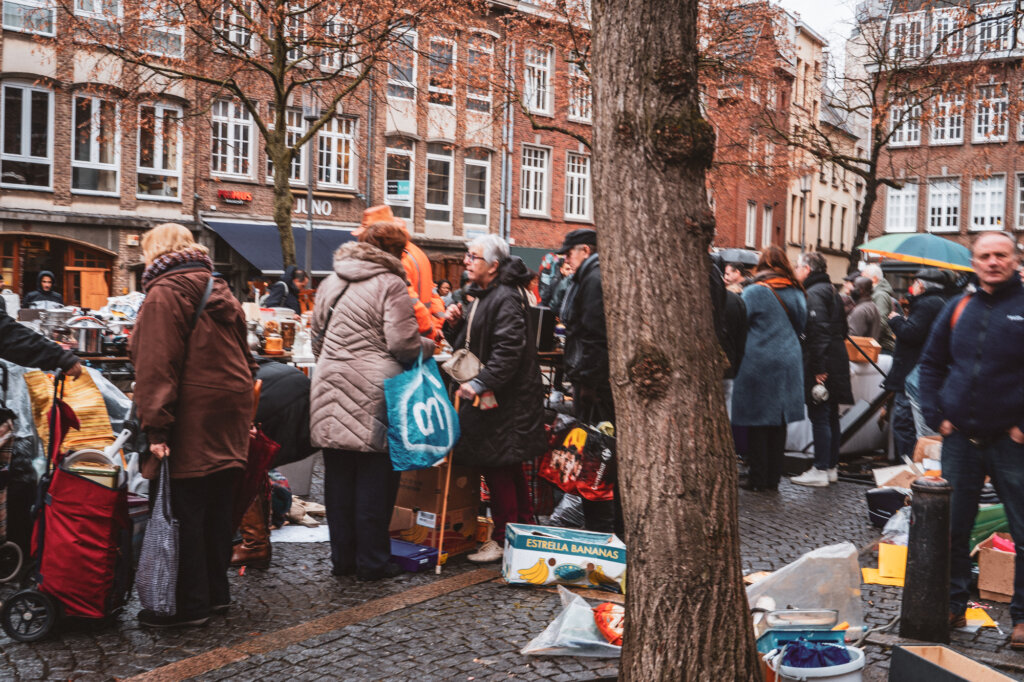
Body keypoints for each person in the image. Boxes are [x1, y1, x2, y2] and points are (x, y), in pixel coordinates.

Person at [130, 223, 257, 628]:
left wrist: (156, 428)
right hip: (229, 410)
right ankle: (215, 595)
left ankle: (188, 605)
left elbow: (156, 364)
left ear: (157, 253)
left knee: (180, 508)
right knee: (218, 506)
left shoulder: (164, 293)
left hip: (193, 415)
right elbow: (246, 355)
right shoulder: (219, 289)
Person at [918, 232, 1024, 645]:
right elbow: (931, 363)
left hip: (1011, 442)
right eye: (985, 256)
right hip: (961, 440)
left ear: (1016, 259)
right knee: (952, 528)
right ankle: (952, 605)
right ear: (973, 261)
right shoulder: (957, 307)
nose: (993, 262)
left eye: (1001, 255)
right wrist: (936, 414)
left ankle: (1022, 618)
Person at [310, 221, 432, 581]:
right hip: (374, 392)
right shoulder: (391, 283)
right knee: (374, 483)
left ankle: (342, 560)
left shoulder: (330, 280)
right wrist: (430, 347)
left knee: (338, 481)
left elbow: (317, 338)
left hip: (329, 385)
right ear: (395, 252)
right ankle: (373, 563)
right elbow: (403, 344)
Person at [443, 234, 546, 563]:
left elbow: (508, 350)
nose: (466, 261)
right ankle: (523, 531)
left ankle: (505, 538)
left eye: (473, 256)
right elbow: (471, 343)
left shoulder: (504, 297)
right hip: (498, 397)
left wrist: (481, 382)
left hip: (505, 401)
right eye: (467, 255)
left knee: (499, 465)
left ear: (494, 265)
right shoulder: (484, 295)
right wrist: (453, 326)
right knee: (506, 464)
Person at [556, 228, 622, 534]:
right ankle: (602, 522)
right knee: (599, 455)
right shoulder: (589, 275)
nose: (566, 259)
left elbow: (595, 336)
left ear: (585, 249)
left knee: (598, 455)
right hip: (591, 382)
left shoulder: (594, 277)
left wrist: (589, 384)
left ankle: (603, 526)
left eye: (569, 253)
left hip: (594, 386)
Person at [731, 246, 806, 492]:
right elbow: (803, 324)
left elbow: (739, 321)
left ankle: (758, 477)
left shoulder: (754, 291)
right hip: (789, 360)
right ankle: (773, 477)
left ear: (761, 265)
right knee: (778, 422)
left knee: (757, 421)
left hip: (759, 360)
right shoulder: (797, 291)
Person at [230, 358, 317, 568]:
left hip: (271, 397)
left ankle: (255, 545)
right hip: (283, 382)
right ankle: (256, 542)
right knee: (253, 468)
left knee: (247, 468)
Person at [790, 252, 853, 488]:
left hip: (824, 362)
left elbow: (818, 331)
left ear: (807, 269)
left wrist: (818, 367)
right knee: (831, 415)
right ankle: (831, 467)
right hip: (836, 358)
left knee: (820, 415)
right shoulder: (832, 291)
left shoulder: (814, 294)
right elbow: (843, 329)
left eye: (797, 266)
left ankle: (820, 468)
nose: (796, 271)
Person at [883, 268, 953, 460]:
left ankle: (910, 466)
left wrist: (896, 320)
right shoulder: (944, 302)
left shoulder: (926, 304)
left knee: (905, 423)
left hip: (912, 373)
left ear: (921, 285)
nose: (912, 287)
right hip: (925, 371)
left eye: (914, 283)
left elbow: (912, 333)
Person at [359, 205, 445, 339]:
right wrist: (436, 327)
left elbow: (410, 301)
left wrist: (430, 330)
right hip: (420, 337)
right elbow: (433, 296)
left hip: (406, 338)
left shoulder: (396, 259)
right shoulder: (417, 253)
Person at [861, 263, 896, 353]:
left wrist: (864, 337)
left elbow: (880, 323)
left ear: (874, 279)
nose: (861, 280)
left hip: (881, 346)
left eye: (864, 277)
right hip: (875, 344)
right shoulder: (874, 294)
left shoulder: (880, 295)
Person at [847, 277, 882, 341]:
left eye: (854, 286)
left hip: (859, 350)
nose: (852, 289)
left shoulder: (861, 310)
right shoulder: (873, 306)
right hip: (869, 350)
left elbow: (852, 337)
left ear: (861, 290)